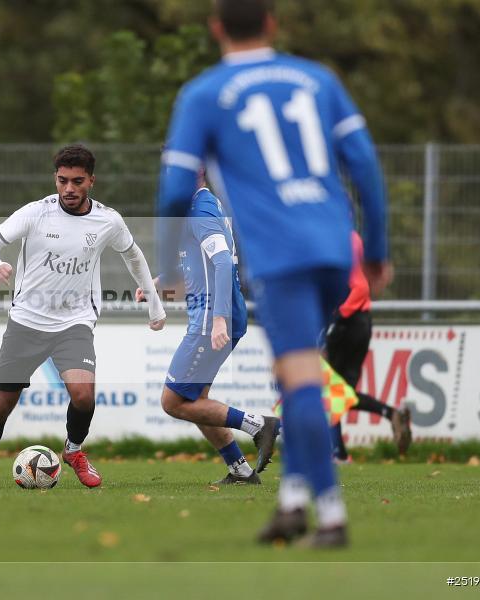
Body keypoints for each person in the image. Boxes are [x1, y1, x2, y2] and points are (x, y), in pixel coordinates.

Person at [157, 0, 393, 547]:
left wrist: (167, 261)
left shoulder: (203, 94)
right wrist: (376, 252)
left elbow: (174, 190)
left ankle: (329, 516)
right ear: (272, 24)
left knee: (300, 380)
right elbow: (366, 167)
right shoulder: (318, 79)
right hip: (336, 250)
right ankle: (290, 503)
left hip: (283, 255)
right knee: (299, 372)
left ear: (216, 28)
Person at [0, 144, 166, 489]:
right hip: (26, 321)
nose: (69, 188)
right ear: (55, 179)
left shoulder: (107, 220)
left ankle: (74, 450)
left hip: (74, 321)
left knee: (83, 395)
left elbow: (133, 255)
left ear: (91, 181)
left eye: (77, 181)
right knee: (0, 405)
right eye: (62, 180)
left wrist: (155, 303)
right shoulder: (36, 213)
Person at [139, 173, 279, 485]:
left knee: (172, 401)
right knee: (196, 401)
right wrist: (159, 282)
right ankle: (240, 470)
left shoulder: (201, 211)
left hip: (211, 318)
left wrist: (218, 319)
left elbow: (222, 263)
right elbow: (197, 258)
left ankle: (258, 425)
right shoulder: (200, 205)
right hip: (216, 314)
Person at [327, 232, 411, 460]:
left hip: (348, 324)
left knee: (330, 390)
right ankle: (390, 413)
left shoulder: (338, 238)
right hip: (361, 322)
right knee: (343, 393)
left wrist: (337, 318)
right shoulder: (352, 237)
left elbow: (359, 286)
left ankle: (337, 454)